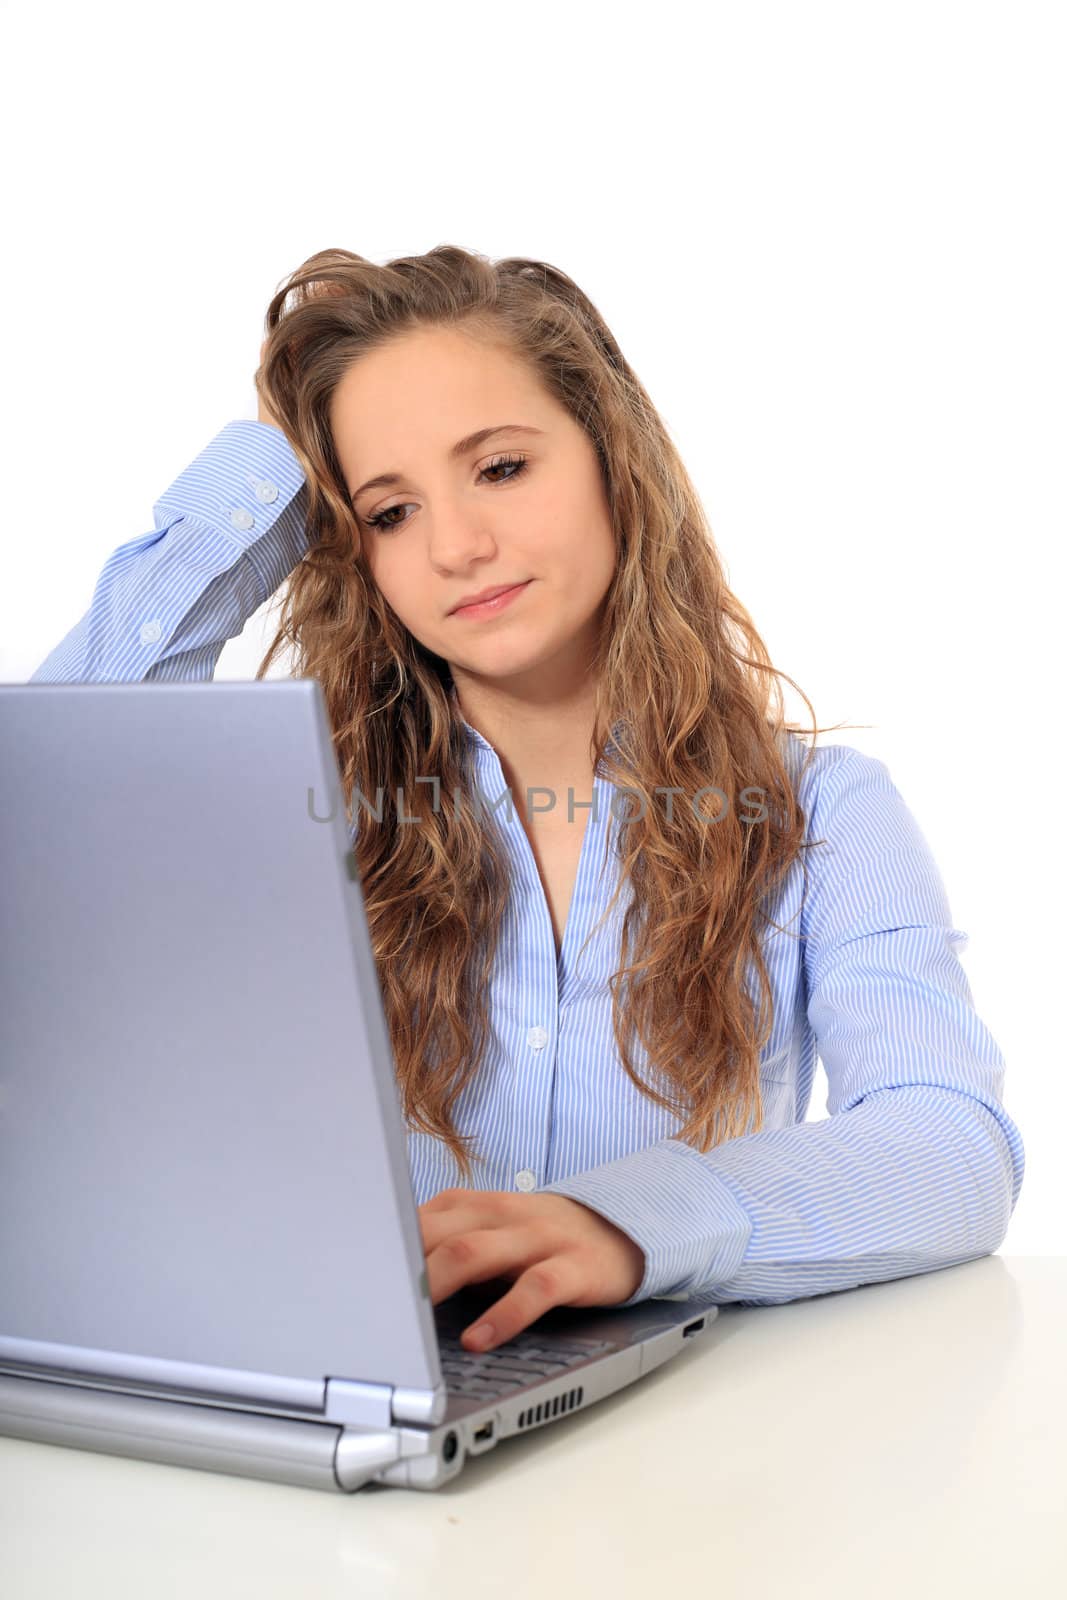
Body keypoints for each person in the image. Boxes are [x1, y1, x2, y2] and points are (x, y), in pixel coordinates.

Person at [31, 244, 1025, 1355]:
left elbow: (950, 1143)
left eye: (498, 468)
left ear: (610, 459)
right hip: (358, 1411)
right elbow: (51, 811)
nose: (457, 546)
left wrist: (626, 1222)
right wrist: (274, 466)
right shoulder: (304, 816)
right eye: (390, 511)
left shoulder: (823, 814)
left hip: (680, 1453)